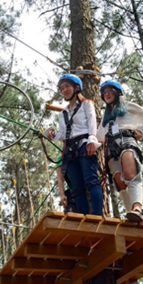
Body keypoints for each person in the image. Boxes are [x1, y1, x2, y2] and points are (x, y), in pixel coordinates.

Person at [97, 80, 143, 223]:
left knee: (131, 174)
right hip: (111, 146)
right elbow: (98, 137)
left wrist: (139, 132)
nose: (107, 94)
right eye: (104, 93)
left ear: (117, 92)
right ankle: (131, 214)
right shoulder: (106, 118)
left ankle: (137, 209)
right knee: (120, 181)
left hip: (126, 139)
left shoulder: (127, 106)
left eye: (110, 91)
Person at [45, 74, 103, 216]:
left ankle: (97, 215)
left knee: (91, 180)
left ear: (77, 88)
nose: (64, 90)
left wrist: (91, 140)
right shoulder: (63, 113)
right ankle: (83, 217)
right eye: (62, 88)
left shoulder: (86, 104)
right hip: (70, 150)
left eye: (67, 87)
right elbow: (64, 135)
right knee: (77, 187)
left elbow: (91, 123)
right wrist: (53, 134)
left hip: (84, 144)